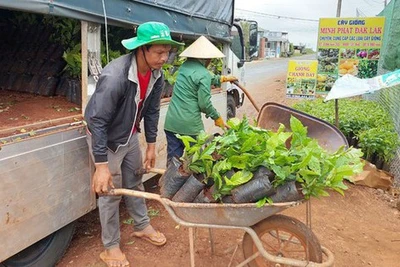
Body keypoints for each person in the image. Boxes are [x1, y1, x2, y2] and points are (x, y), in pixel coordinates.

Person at [84, 21, 183, 267]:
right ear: (142, 50)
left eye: (167, 52)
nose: (164, 58)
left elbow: (150, 112)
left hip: (128, 135)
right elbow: (97, 122)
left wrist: (150, 144)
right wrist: (101, 165)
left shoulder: (156, 75)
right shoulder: (115, 76)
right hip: (104, 138)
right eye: (158, 52)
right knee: (110, 192)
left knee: (136, 179)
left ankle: (141, 225)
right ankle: (110, 247)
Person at [164, 35, 237, 164]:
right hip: (190, 126)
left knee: (173, 163)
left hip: (171, 123)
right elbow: (204, 104)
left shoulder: (184, 67)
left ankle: (169, 182)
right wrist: (217, 117)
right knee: (198, 162)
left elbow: (198, 77)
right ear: (206, 58)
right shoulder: (203, 74)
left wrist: (221, 79)